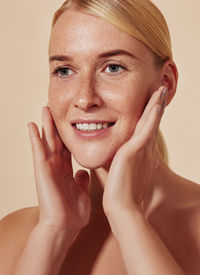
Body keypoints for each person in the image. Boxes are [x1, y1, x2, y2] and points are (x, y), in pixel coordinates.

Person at [0, 0, 200, 274]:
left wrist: (126, 214)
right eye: (64, 70)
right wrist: (53, 231)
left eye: (113, 67)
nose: (84, 98)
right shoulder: (14, 235)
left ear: (166, 82)